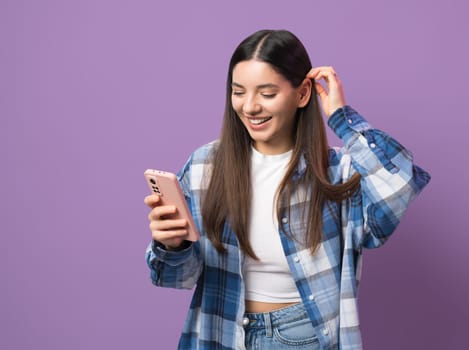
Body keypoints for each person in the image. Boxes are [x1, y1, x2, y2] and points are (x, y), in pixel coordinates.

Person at [144, 29, 430, 349]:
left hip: (303, 337)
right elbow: (177, 278)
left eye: (267, 93)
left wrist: (342, 118)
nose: (250, 107)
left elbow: (399, 184)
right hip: (221, 333)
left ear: (303, 93)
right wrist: (172, 246)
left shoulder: (337, 172)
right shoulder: (203, 167)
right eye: (238, 92)